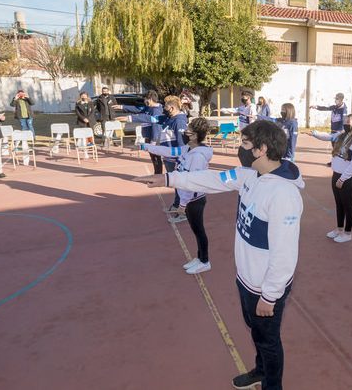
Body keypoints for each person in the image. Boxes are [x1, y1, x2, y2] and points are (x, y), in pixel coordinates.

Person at [135, 120, 304, 390]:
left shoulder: (284, 195)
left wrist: (270, 296)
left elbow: (285, 255)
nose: (241, 148)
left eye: (246, 143)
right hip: (246, 279)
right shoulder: (249, 175)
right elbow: (213, 179)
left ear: (261, 149)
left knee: (269, 341)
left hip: (265, 287)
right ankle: (261, 371)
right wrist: (169, 178)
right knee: (258, 334)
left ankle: (273, 385)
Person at [140, 117, 214, 274]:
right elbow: (170, 151)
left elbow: (191, 183)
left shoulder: (197, 156)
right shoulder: (189, 148)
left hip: (194, 200)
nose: (184, 132)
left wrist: (183, 204)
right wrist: (146, 146)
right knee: (196, 230)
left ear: (194, 135)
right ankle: (200, 258)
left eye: (188, 130)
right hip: (189, 198)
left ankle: (205, 261)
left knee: (199, 230)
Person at [118, 95, 188, 213]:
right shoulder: (167, 118)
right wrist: (130, 118)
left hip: (175, 159)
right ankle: (177, 205)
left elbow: (182, 145)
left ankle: (181, 209)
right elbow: (150, 118)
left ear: (171, 108)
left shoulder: (179, 121)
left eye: (165, 106)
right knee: (175, 184)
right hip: (168, 158)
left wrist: (180, 161)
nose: (163, 108)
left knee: (180, 185)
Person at [307, 114, 352, 243]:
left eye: (348, 122)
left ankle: (348, 233)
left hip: (347, 178)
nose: (345, 124)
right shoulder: (342, 135)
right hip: (336, 175)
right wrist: (314, 133)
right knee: (339, 205)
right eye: (345, 122)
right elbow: (329, 136)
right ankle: (339, 229)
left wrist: (342, 179)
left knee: (347, 206)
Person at [123, 90, 165, 174]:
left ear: (150, 99)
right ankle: (157, 173)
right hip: (148, 136)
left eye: (145, 99)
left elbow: (156, 126)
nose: (144, 101)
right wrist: (122, 107)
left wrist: (153, 140)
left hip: (154, 138)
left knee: (156, 157)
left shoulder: (156, 110)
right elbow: (137, 109)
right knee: (153, 157)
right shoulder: (149, 107)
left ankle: (158, 174)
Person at [310, 92, 348, 167]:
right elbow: (325, 108)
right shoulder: (335, 107)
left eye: (337, 99)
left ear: (341, 99)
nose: (335, 100)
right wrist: (316, 107)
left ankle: (341, 163)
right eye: (335, 99)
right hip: (333, 130)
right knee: (334, 148)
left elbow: (344, 121)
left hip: (339, 132)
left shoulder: (343, 110)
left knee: (339, 148)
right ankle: (335, 161)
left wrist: (343, 131)